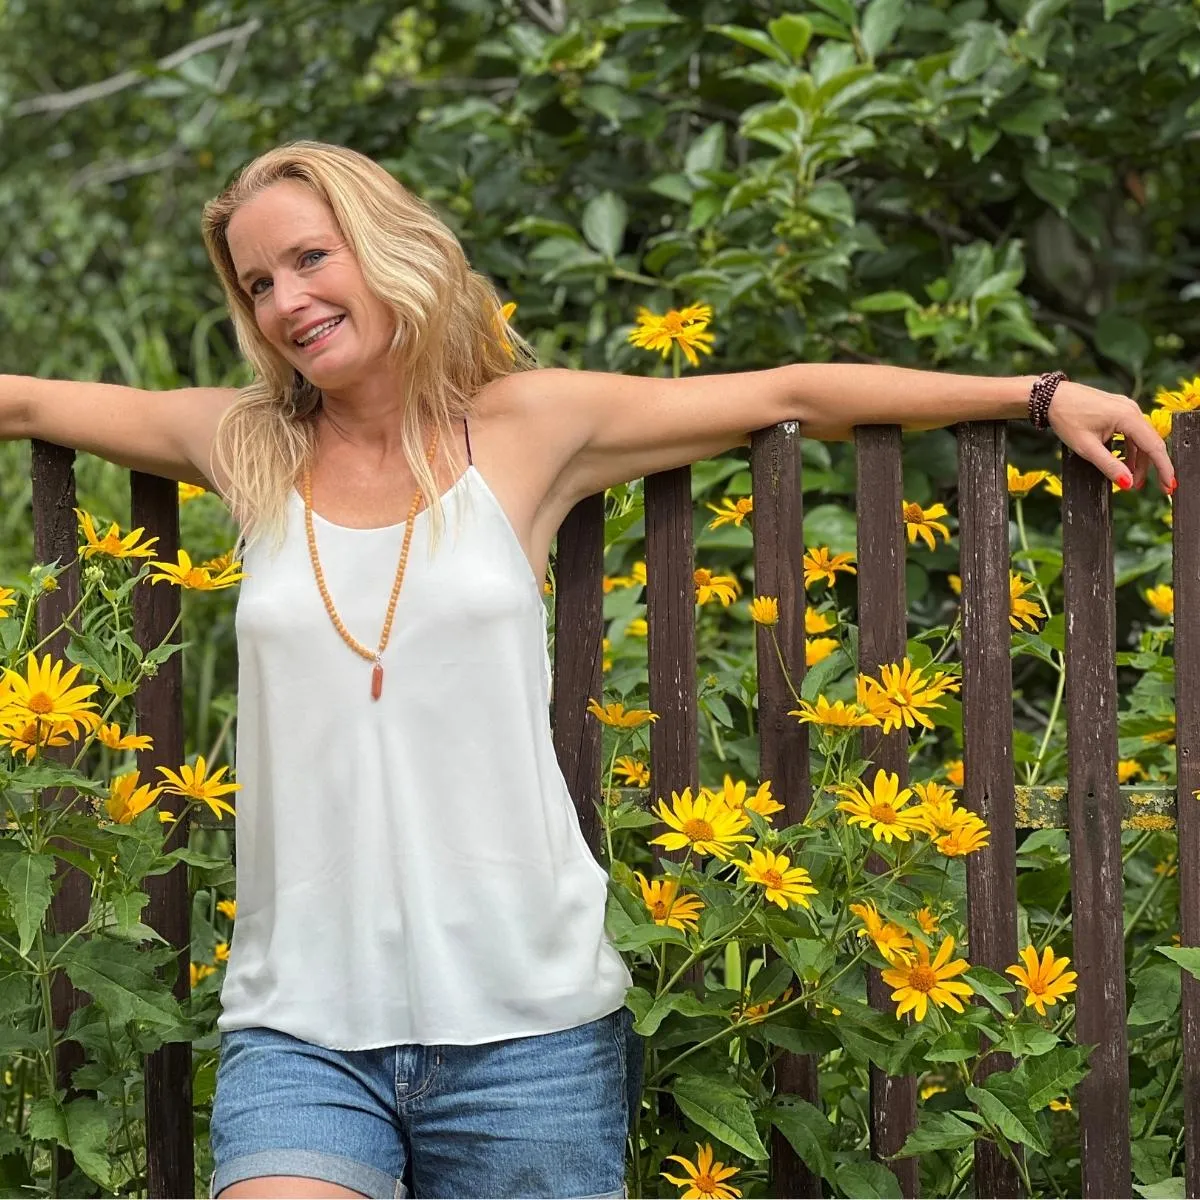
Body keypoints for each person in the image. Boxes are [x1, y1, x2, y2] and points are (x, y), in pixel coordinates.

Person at [0, 141, 1175, 1200]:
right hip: (301, 1030)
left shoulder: (527, 427)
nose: (287, 301)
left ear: (387, 247)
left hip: (531, 1036)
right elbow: (32, 399)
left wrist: (1038, 394)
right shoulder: (245, 444)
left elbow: (789, 395)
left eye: (310, 258)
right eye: (257, 284)